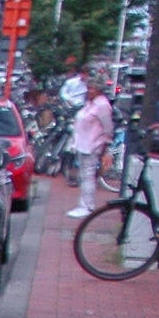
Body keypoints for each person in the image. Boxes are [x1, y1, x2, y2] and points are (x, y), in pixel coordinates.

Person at [69, 74, 115, 217]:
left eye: (93, 89)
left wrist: (105, 143)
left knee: (88, 175)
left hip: (92, 145)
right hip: (83, 143)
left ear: (99, 90)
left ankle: (88, 206)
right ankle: (83, 204)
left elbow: (108, 127)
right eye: (88, 88)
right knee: (83, 175)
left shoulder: (102, 105)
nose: (89, 91)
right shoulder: (90, 103)